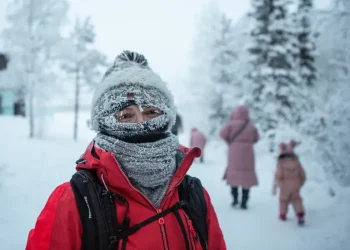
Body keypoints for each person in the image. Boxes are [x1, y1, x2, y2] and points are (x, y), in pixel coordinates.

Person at [25, 51, 226, 250]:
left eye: (151, 112)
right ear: (104, 122)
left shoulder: (192, 194)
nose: (141, 124)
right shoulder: (75, 201)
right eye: (126, 116)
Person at [220, 105, 259, 209]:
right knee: (246, 177)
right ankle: (244, 202)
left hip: (234, 152)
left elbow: (222, 134)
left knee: (234, 175)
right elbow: (256, 138)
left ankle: (235, 199)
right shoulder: (250, 126)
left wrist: (230, 141)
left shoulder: (231, 124)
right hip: (248, 153)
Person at [272, 140, 306, 225]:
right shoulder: (296, 162)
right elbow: (302, 173)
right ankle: (300, 214)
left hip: (284, 185)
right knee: (296, 199)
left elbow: (278, 175)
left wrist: (275, 185)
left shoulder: (281, 163)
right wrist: (301, 182)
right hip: (296, 184)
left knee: (283, 200)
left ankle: (283, 215)